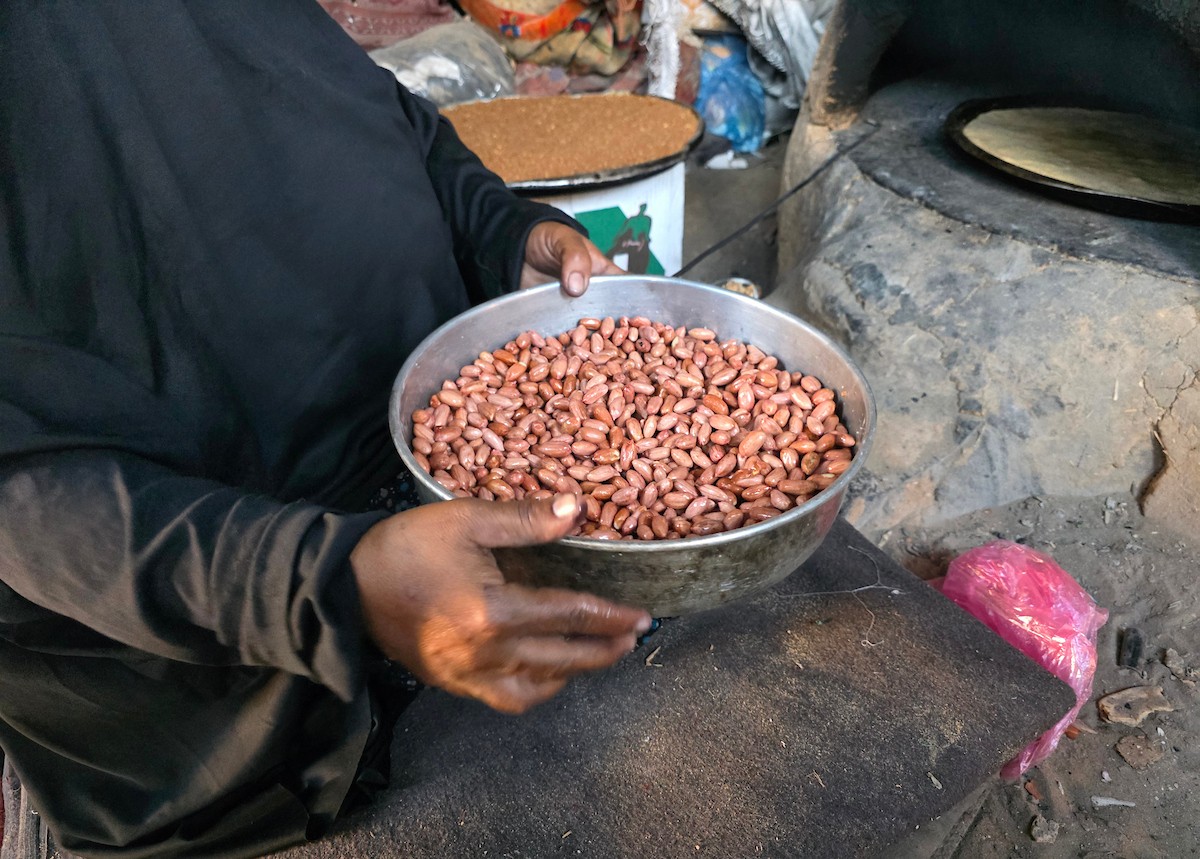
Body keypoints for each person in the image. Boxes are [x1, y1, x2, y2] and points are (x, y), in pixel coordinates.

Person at [0, 3, 652, 857]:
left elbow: (365, 110)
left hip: (437, 508)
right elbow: (28, 502)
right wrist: (327, 586)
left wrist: (498, 229)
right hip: (230, 734)